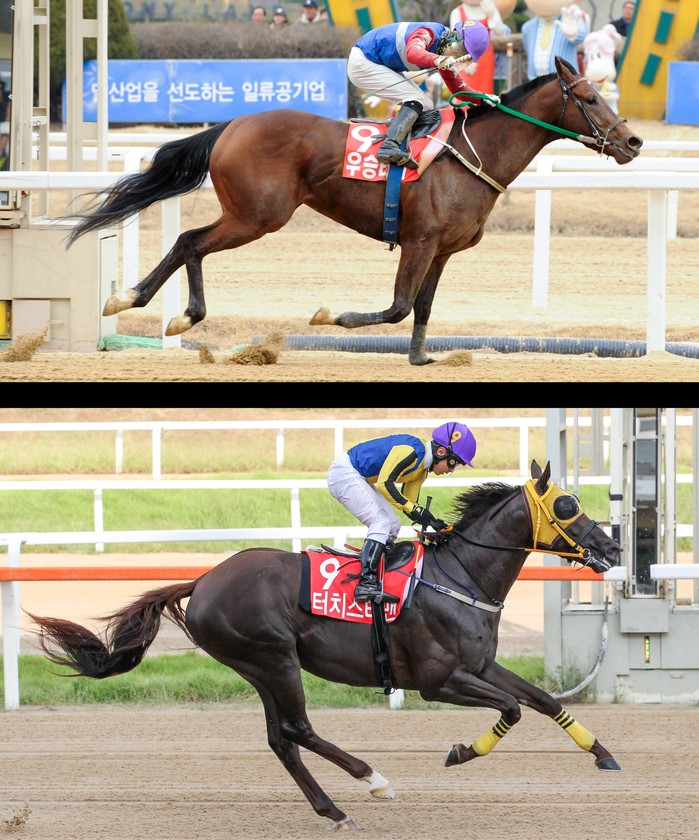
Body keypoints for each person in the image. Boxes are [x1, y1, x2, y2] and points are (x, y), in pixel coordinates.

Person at [327, 421, 477, 603]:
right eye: (454, 463)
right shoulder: (411, 451)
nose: (451, 470)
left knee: (393, 525)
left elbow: (410, 503)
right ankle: (366, 583)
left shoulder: (422, 470)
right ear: (441, 452)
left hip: (359, 476)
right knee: (381, 522)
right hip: (344, 472)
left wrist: (432, 522)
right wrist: (415, 509)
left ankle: (380, 575)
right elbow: (384, 484)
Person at [347, 20, 490, 168]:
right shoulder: (429, 32)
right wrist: (437, 60)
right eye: (459, 50)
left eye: (464, 56)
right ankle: (389, 146)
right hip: (363, 62)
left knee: (427, 105)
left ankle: (407, 146)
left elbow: (458, 90)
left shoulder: (443, 51)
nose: (456, 56)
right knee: (416, 99)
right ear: (453, 37)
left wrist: (485, 99)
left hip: (376, 63)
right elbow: (413, 52)